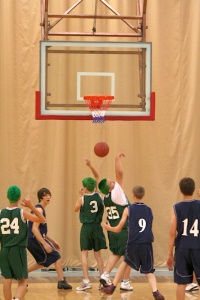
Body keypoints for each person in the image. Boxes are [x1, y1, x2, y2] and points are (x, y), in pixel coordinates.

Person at [101, 185, 164, 300]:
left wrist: (108, 228)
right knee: (149, 271)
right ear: (143, 195)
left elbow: (119, 228)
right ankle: (156, 292)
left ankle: (113, 286)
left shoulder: (128, 209)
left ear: (133, 195)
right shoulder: (149, 210)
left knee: (125, 263)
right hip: (146, 243)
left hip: (133, 242)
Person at [0, 185, 46, 300]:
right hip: (18, 249)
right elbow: (42, 219)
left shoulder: (1, 213)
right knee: (23, 280)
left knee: (7, 279)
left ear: (7, 196)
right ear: (19, 197)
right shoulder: (22, 213)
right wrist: (31, 206)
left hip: (4, 249)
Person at [98, 152, 133, 292]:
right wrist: (116, 159)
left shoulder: (105, 196)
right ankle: (125, 282)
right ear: (111, 187)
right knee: (128, 255)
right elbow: (120, 174)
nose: (113, 181)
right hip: (123, 229)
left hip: (113, 231)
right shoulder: (116, 193)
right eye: (111, 182)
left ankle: (105, 275)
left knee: (116, 253)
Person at [27, 188, 72, 289]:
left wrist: (52, 241)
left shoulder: (40, 209)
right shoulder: (39, 209)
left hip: (32, 239)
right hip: (33, 238)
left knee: (43, 262)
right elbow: (34, 229)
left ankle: (23, 274)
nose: (48, 197)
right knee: (57, 256)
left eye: (49, 195)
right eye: (45, 195)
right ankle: (61, 281)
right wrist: (45, 244)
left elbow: (41, 231)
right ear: (40, 197)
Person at [74, 158, 107, 291]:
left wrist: (80, 195)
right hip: (97, 227)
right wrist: (90, 165)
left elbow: (75, 209)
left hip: (86, 228)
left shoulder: (83, 198)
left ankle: (86, 281)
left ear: (85, 187)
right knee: (98, 255)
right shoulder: (99, 196)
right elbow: (97, 176)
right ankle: (102, 281)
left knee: (84, 254)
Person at [167, 177, 200, 300]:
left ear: (180, 190)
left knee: (181, 283)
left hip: (182, 249)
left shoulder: (176, 207)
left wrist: (169, 254)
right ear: (193, 190)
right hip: (198, 247)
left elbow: (172, 233)